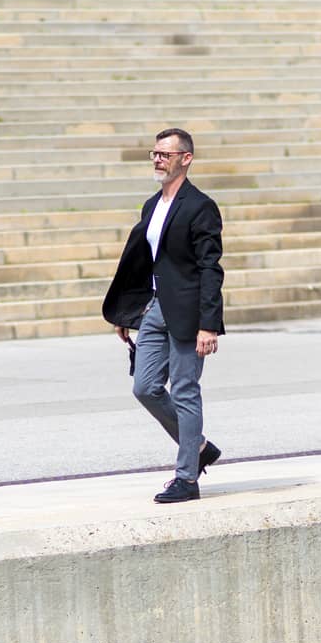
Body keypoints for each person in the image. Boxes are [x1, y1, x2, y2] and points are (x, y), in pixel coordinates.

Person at [102, 127, 225, 504]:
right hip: (154, 308)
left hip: (189, 315)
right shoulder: (152, 206)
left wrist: (209, 324)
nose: (158, 159)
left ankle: (187, 478)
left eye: (165, 154)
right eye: (154, 154)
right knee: (145, 387)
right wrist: (129, 312)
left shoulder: (200, 206)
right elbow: (144, 263)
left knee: (186, 391)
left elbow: (211, 268)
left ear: (185, 159)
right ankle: (199, 446)